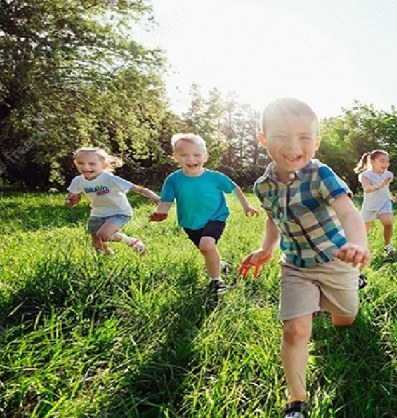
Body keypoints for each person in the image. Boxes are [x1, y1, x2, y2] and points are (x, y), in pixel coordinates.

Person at [237, 98, 370, 418]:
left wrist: (357, 245)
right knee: (295, 329)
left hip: (336, 260)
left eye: (304, 137)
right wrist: (266, 248)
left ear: (317, 142)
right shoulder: (263, 185)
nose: (293, 146)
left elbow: (348, 212)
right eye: (281, 136)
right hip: (295, 265)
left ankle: (340, 295)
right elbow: (274, 218)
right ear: (264, 140)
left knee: (345, 320)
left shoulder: (320, 174)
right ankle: (296, 402)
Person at [149, 133, 258, 295]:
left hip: (216, 217)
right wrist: (161, 213)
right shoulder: (173, 180)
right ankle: (219, 264)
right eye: (184, 155)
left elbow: (234, 188)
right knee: (206, 250)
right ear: (175, 157)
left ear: (205, 157)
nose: (191, 159)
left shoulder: (214, 177)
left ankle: (216, 282)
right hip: (189, 222)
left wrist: (246, 206)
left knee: (206, 245)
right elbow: (166, 200)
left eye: (196, 155)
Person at [65, 147, 159, 256]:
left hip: (119, 212)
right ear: (75, 163)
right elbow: (70, 200)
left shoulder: (109, 178)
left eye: (92, 164)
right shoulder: (77, 181)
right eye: (81, 163)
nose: (86, 167)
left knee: (103, 235)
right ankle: (108, 260)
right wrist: (71, 201)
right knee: (97, 244)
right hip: (97, 213)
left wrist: (156, 199)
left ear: (103, 165)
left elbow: (139, 189)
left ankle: (132, 242)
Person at [354, 149, 397, 259]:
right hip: (370, 207)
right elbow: (367, 189)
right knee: (364, 231)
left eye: (387, 161)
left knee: (388, 223)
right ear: (372, 161)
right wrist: (381, 185)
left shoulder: (388, 174)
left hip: (384, 203)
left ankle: (387, 246)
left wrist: (390, 196)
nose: (385, 164)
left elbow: (385, 188)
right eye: (382, 161)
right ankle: (360, 249)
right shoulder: (365, 175)